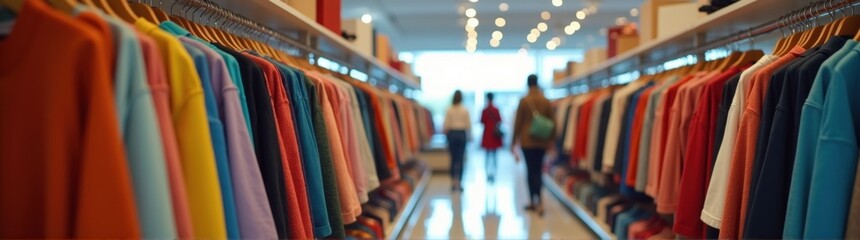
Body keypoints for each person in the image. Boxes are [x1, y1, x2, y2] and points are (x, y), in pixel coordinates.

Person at [511, 74, 555, 216]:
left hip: (527, 141)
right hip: (541, 141)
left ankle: (531, 201)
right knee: (539, 170)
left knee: (530, 171)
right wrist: (551, 140)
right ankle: (540, 201)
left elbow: (518, 123)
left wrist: (513, 141)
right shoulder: (545, 101)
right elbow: (553, 122)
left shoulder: (524, 101)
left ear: (527, 84)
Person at [444, 90, 471, 192]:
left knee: (453, 159)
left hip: (452, 134)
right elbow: (468, 125)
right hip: (461, 134)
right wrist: (469, 137)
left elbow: (446, 125)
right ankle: (459, 182)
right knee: (460, 159)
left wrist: (446, 138)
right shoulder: (465, 110)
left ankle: (453, 182)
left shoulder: (449, 109)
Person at [480, 92, 503, 182]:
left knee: (487, 155)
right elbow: (499, 120)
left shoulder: (485, 110)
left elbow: (481, 121)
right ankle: (494, 173)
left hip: (487, 134)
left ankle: (487, 173)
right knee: (494, 155)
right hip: (494, 135)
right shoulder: (496, 109)